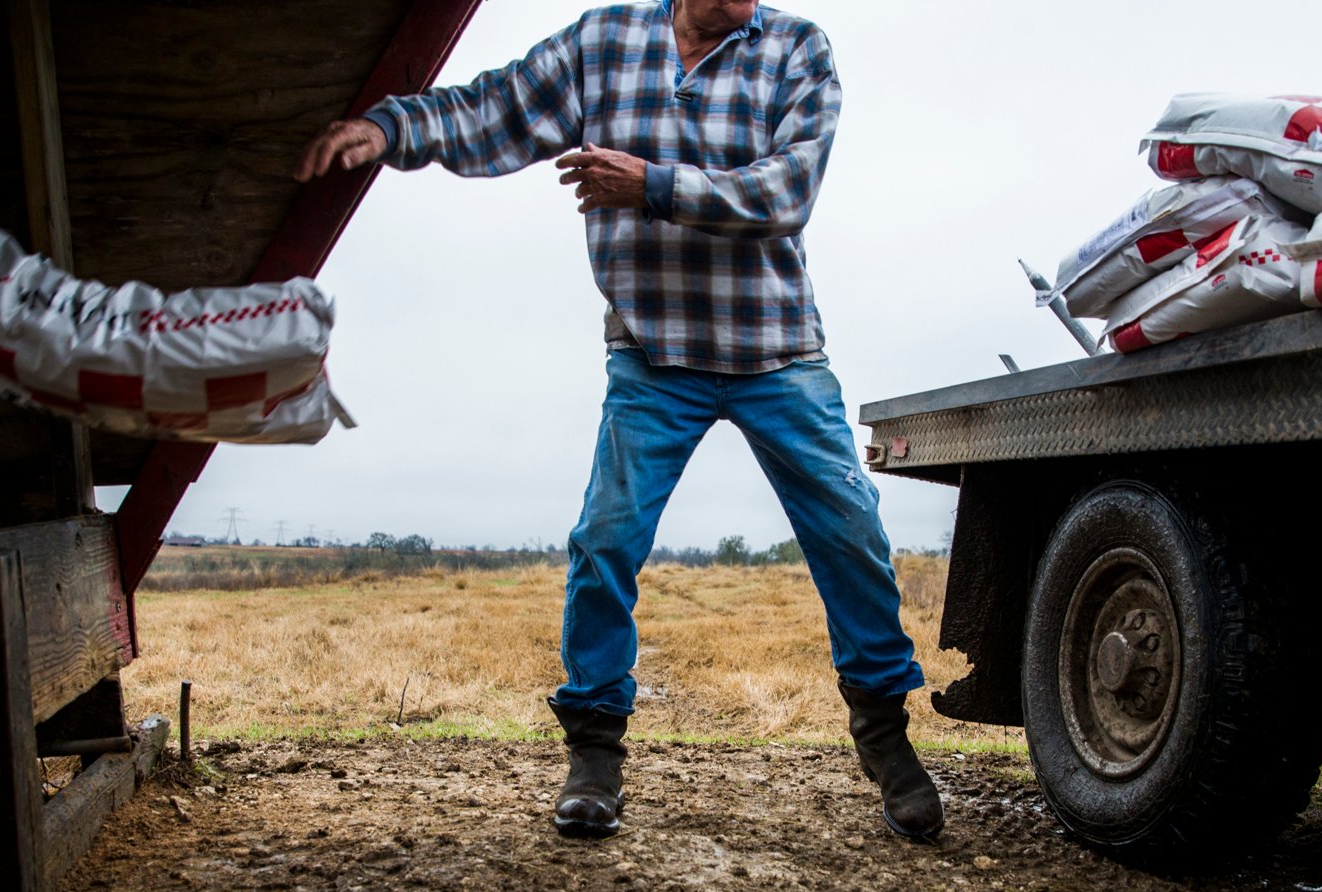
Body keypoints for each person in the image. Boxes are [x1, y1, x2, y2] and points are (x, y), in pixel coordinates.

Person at [296, 0, 943, 841]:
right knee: (605, 540)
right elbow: (497, 106)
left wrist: (653, 184)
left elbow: (790, 189)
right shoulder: (604, 43)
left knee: (853, 532)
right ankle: (595, 753)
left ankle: (887, 741)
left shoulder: (795, 49)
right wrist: (391, 129)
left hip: (775, 350)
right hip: (649, 352)